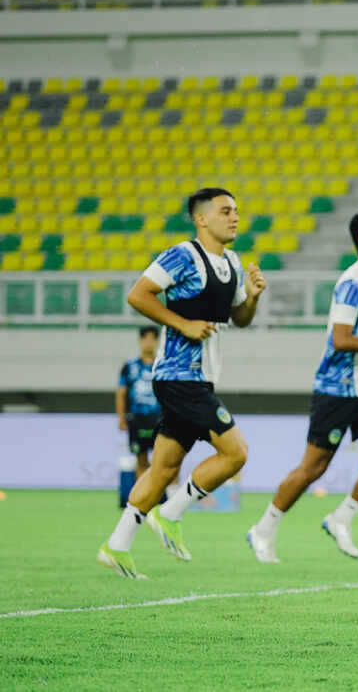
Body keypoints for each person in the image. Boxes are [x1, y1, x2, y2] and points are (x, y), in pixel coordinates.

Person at [97, 188, 266, 579]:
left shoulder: (232, 263)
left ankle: (117, 545)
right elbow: (139, 294)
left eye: (237, 211)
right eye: (225, 211)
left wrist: (253, 297)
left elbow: (239, 318)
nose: (235, 217)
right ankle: (170, 513)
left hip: (200, 379)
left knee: (163, 467)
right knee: (236, 453)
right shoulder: (182, 255)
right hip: (179, 376)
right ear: (201, 219)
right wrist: (183, 324)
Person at [247, 208, 358, 563]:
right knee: (312, 469)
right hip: (337, 389)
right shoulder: (352, 284)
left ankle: (341, 518)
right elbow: (340, 340)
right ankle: (263, 528)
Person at [116, 326, 166, 480]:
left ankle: (165, 493)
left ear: (157, 342)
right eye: (145, 339)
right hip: (137, 419)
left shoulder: (163, 365)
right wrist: (121, 418)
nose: (149, 343)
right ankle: (143, 494)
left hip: (160, 419)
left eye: (152, 339)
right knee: (141, 460)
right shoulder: (129, 366)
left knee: (165, 460)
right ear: (140, 341)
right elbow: (121, 393)